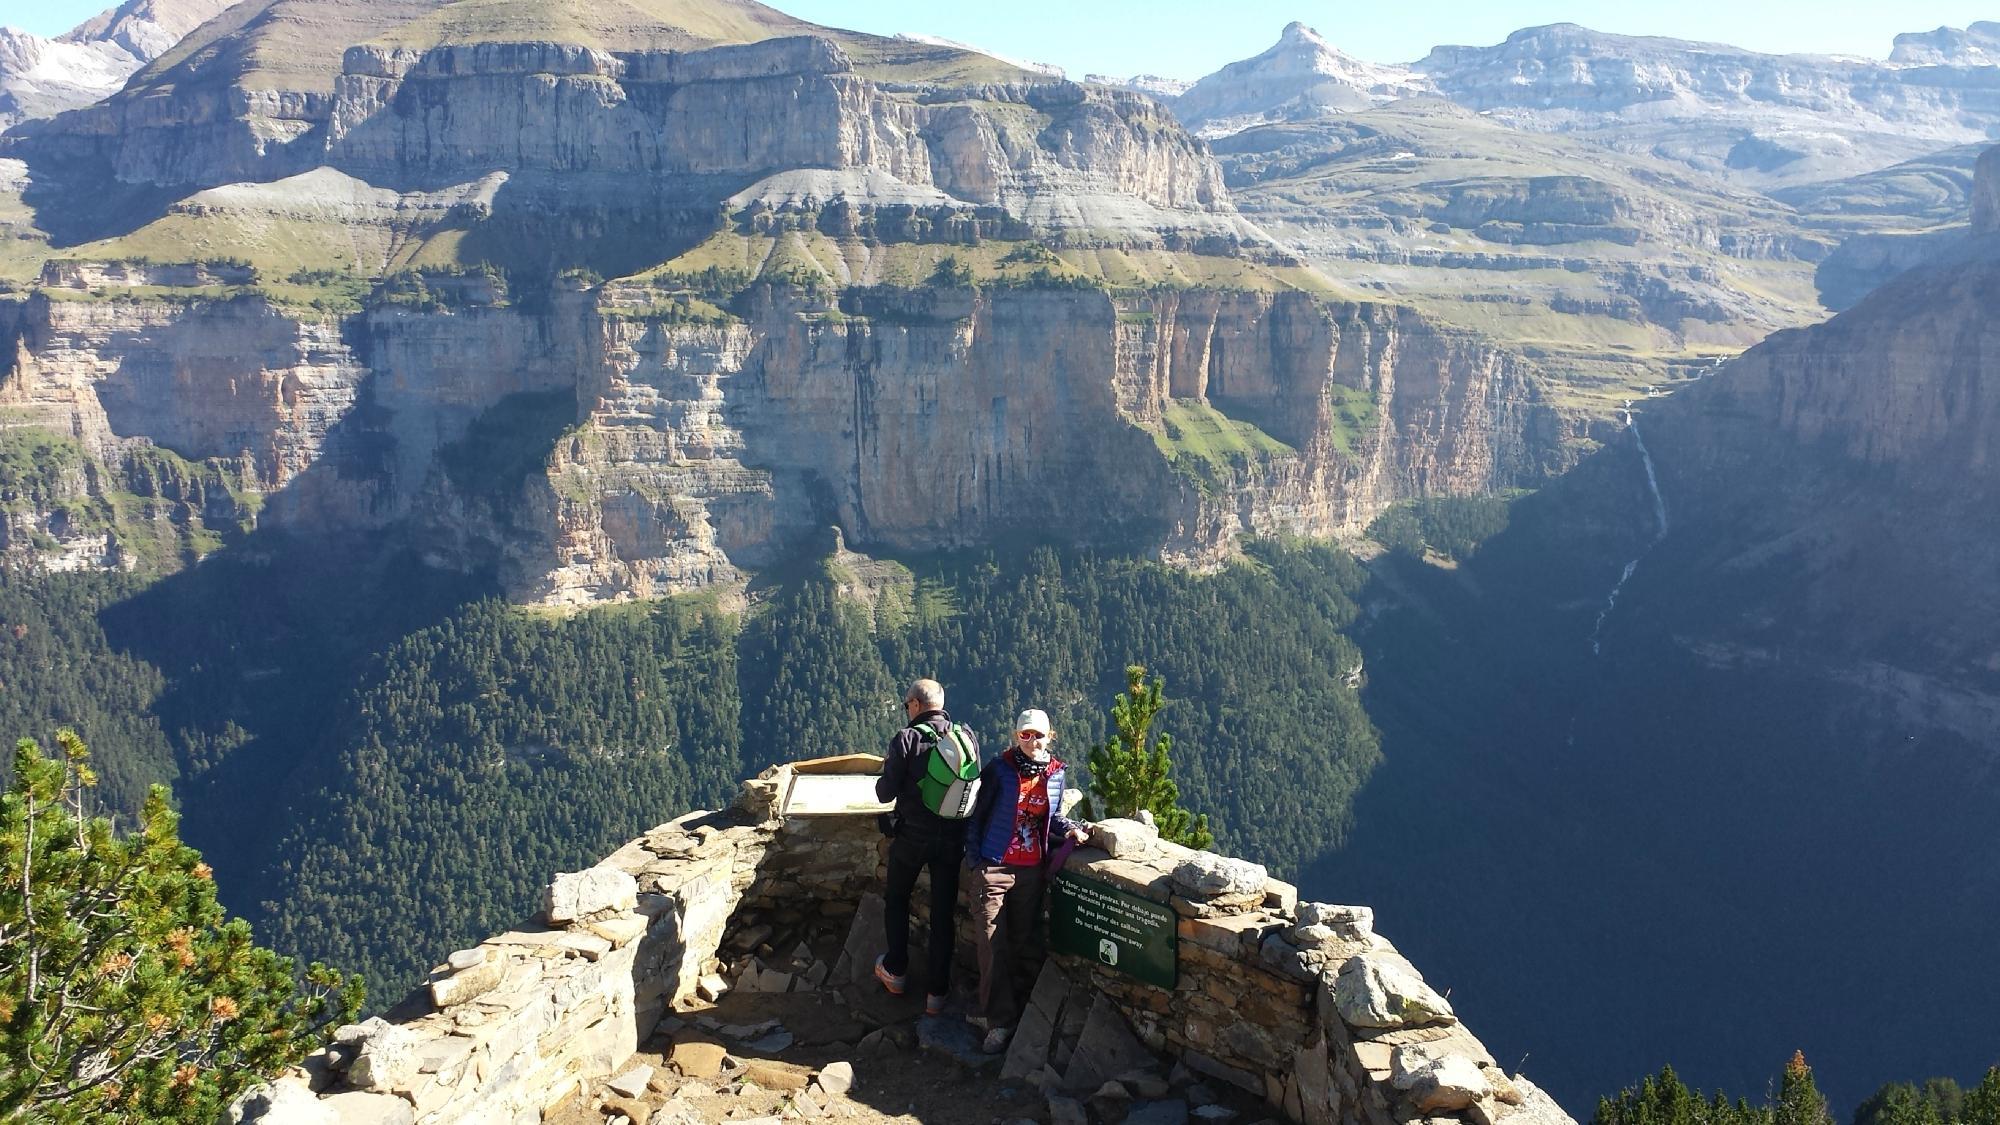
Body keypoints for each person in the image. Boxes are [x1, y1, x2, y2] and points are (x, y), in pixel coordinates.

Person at [963, 707, 1088, 1052]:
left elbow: (1056, 816)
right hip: (994, 867)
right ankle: (1000, 1023)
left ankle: (998, 1009)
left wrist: (1073, 830)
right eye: (1025, 735)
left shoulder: (1056, 774)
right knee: (991, 941)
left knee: (1018, 942)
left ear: (1051, 736)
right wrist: (976, 862)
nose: (1032, 741)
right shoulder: (1000, 770)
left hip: (1031, 871)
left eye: (1038, 735)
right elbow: (976, 817)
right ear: (1015, 736)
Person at [875, 678, 980, 1017]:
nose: (906, 710)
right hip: (952, 842)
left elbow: (884, 793)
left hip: (912, 839)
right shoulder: (966, 738)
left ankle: (896, 971)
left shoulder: (907, 739)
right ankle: (937, 992)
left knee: (896, 899)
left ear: (917, 705)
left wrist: (884, 774)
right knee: (943, 913)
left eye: (907, 705)